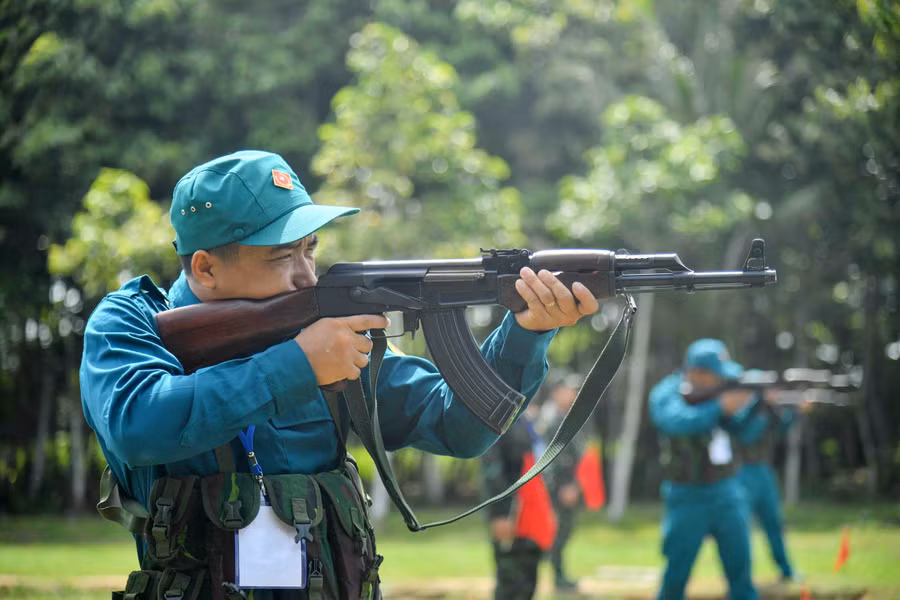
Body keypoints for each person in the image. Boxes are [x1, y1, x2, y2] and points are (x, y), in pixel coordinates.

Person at [80, 150, 600, 600]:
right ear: (205, 269)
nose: (306, 274)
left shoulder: (324, 328)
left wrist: (526, 332)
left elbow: (459, 426)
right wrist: (297, 367)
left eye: (310, 249)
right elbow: (137, 423)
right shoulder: (132, 323)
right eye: (282, 256)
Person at [648, 338, 758, 600]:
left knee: (741, 573)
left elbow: (743, 432)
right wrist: (720, 406)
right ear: (698, 372)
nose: (722, 381)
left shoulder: (718, 394)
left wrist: (755, 404)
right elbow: (677, 422)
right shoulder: (666, 393)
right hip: (686, 495)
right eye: (717, 376)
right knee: (675, 577)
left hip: (726, 490)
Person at [734, 372, 811, 584]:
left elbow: (781, 430)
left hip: (763, 472)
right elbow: (746, 436)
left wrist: (797, 412)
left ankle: (786, 570)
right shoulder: (744, 412)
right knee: (742, 529)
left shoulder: (768, 411)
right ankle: (741, 577)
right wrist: (764, 407)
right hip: (743, 472)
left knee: (774, 523)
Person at [480, 403, 556, 600]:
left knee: (527, 579)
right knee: (511, 583)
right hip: (512, 514)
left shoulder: (524, 418)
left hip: (530, 512)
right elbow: (492, 469)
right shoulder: (499, 417)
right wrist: (500, 513)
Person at [537, 374, 587, 593]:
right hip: (556, 487)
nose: (574, 394)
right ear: (557, 391)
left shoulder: (563, 414)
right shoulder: (552, 418)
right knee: (556, 531)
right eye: (570, 389)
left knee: (562, 531)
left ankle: (558, 575)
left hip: (563, 484)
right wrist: (565, 485)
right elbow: (554, 457)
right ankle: (557, 577)